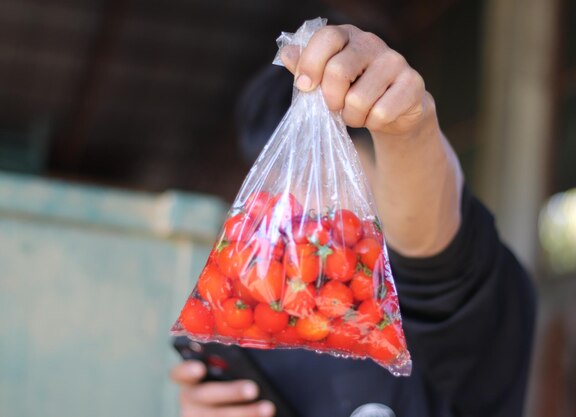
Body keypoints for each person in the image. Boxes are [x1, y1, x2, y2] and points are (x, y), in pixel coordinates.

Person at [170, 23, 536, 417]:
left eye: (324, 173)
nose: (305, 209)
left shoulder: (454, 300)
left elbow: (432, 254)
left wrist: (406, 132)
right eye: (283, 183)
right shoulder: (259, 321)